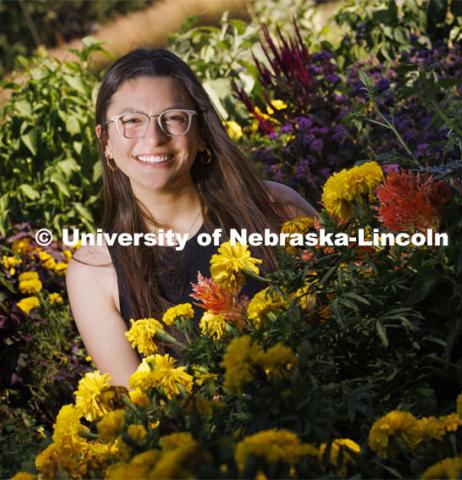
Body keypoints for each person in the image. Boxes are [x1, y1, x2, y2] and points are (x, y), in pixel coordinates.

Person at [66, 48, 318, 388]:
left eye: (173, 117)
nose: (153, 138)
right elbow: (144, 415)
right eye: (131, 121)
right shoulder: (94, 273)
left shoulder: (275, 208)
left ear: (200, 133)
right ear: (106, 142)